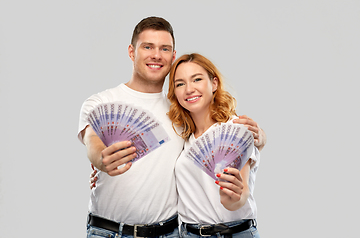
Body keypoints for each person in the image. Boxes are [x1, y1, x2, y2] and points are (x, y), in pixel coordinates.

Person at [79, 16, 266, 238]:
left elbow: (236, 174)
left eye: (165, 48)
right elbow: (93, 142)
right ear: (131, 52)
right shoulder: (101, 102)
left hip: (168, 233)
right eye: (147, 46)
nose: (156, 55)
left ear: (172, 56)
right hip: (109, 231)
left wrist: (259, 138)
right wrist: (101, 160)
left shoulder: (182, 114)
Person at [167, 53, 261, 238]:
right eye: (180, 84)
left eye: (197, 79)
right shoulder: (183, 138)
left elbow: (241, 196)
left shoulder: (235, 129)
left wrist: (232, 199)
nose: (189, 89)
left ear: (214, 84)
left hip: (232, 233)